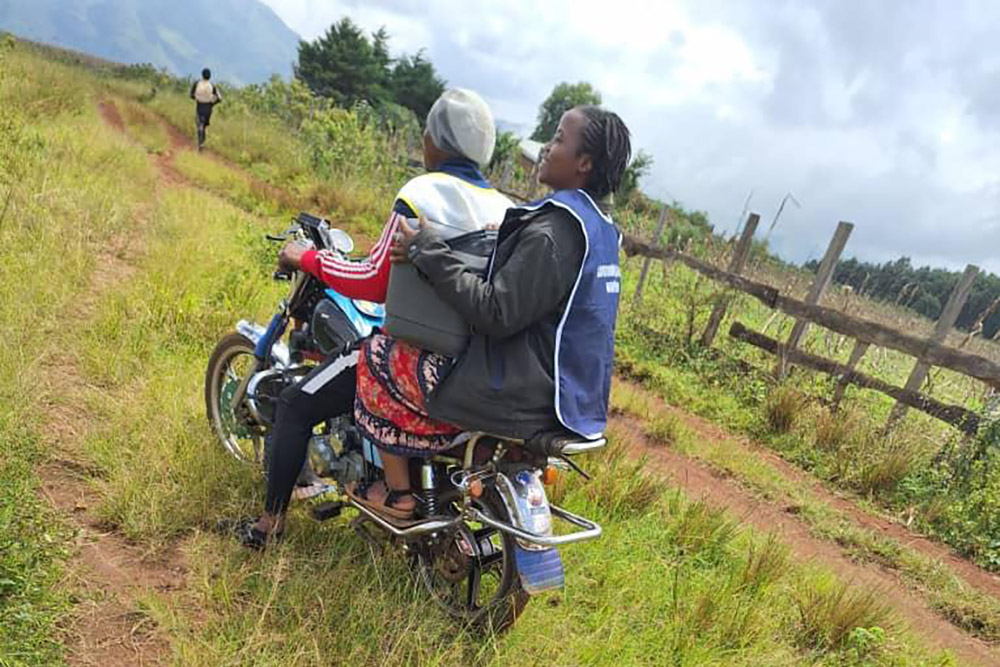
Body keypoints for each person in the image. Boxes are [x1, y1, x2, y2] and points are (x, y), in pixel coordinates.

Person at [224, 88, 511, 548]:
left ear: (435, 141)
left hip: (416, 358)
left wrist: (308, 259)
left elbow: (374, 279)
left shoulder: (423, 192)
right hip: (473, 365)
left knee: (297, 404)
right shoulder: (506, 207)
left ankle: (268, 526)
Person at [350, 105, 631, 518]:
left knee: (377, 356)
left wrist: (427, 249)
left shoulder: (555, 231)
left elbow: (494, 311)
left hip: (518, 395)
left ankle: (398, 495)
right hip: (573, 396)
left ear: (583, 163)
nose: (546, 149)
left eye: (557, 139)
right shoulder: (601, 229)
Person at [190, 68, 222, 150]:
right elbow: (219, 98)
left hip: (200, 105)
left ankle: (200, 143)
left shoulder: (197, 83)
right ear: (210, 76)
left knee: (199, 123)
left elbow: (191, 95)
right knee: (204, 125)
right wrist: (212, 103)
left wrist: (197, 98)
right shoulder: (212, 86)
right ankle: (202, 143)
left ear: (202, 75)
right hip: (208, 108)